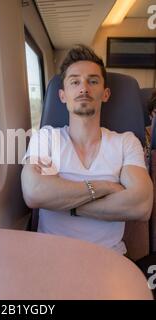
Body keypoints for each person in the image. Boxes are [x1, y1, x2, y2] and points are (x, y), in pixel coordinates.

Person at [21, 45, 153, 255]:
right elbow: (33, 192)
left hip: (110, 259)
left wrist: (65, 204)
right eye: (75, 82)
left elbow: (141, 205)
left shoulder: (126, 142)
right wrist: (106, 187)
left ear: (106, 93)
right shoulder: (46, 137)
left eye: (92, 81)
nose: (84, 88)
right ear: (63, 96)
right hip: (50, 255)